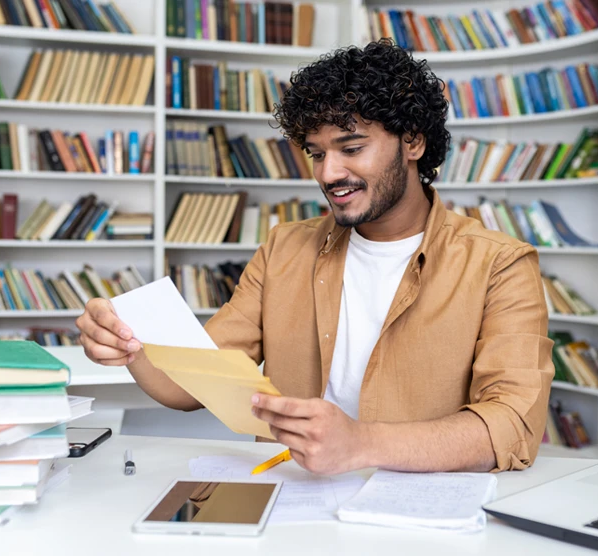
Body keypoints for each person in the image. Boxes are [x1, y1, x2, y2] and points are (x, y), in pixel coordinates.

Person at [76, 39, 554, 476]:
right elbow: (192, 382)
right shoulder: (284, 248)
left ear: (413, 142)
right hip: (291, 496)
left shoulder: (501, 265)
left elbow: (511, 424)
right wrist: (126, 342)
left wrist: (361, 443)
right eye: (316, 153)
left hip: (423, 516)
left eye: (351, 148)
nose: (329, 173)